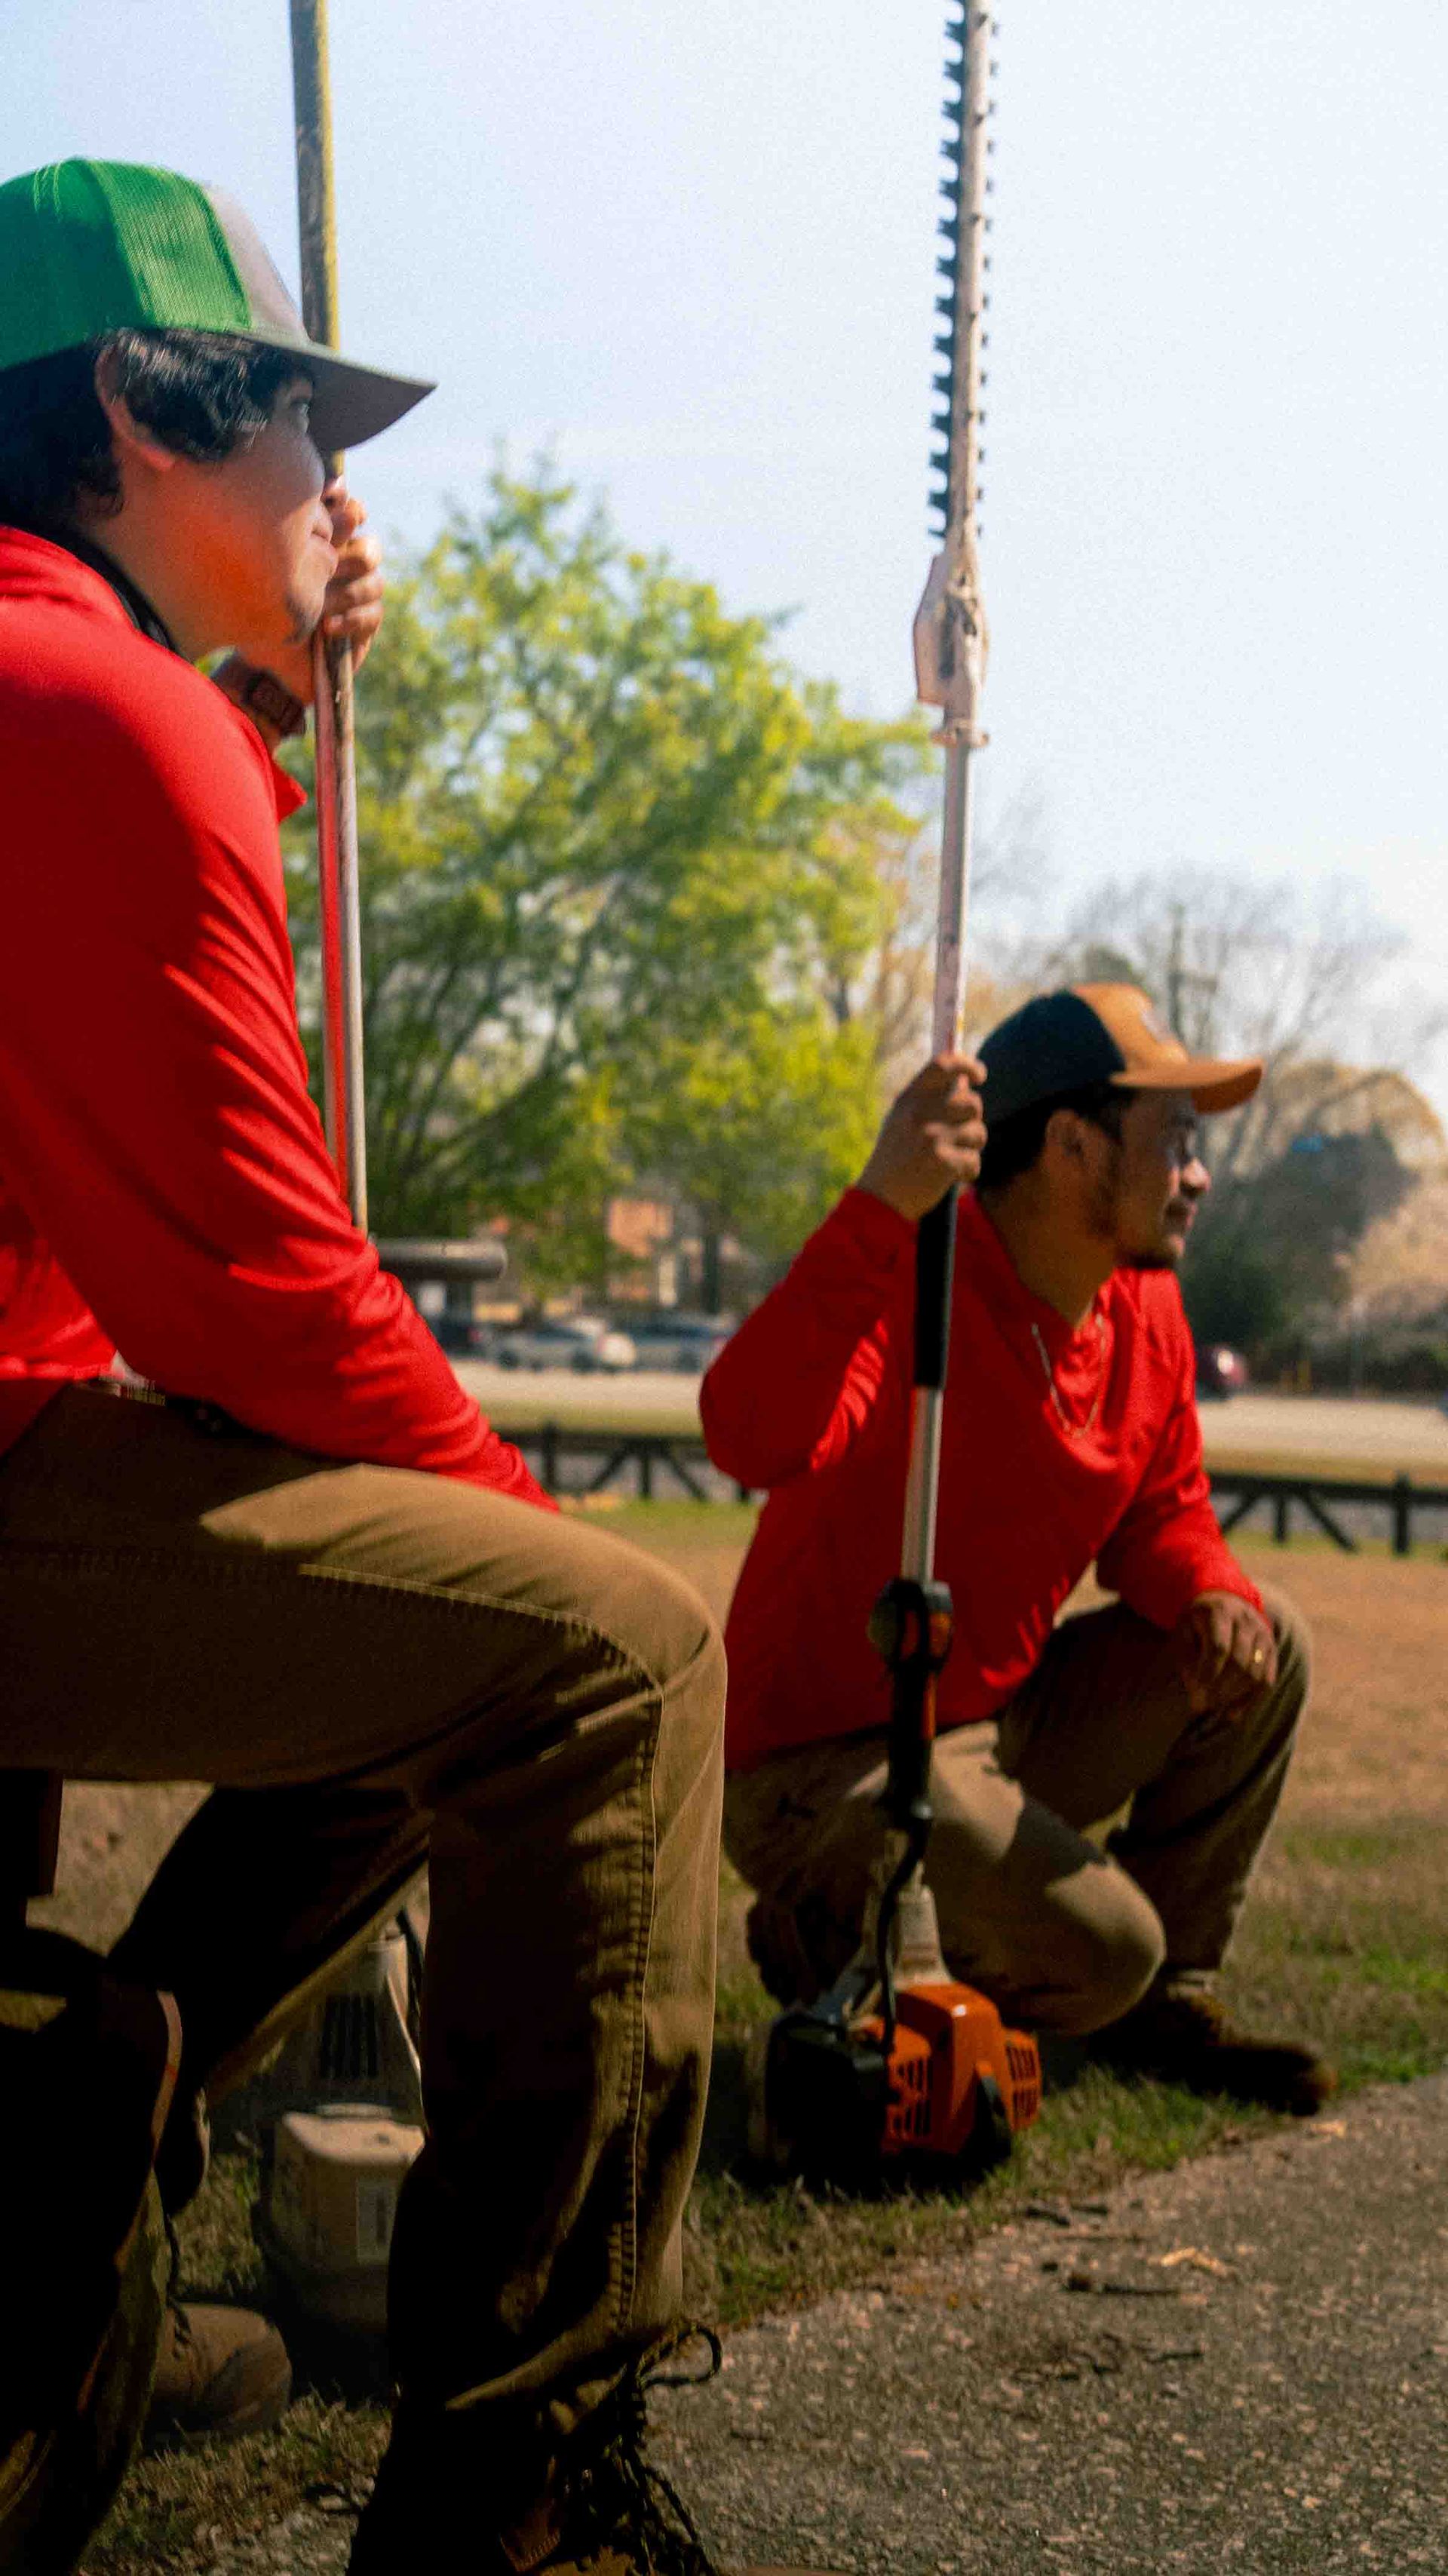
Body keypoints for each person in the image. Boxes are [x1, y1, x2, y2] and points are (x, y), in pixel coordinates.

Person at [0, 161, 830, 2576]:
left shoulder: (74, 685)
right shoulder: (89, 706)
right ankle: (510, 2485)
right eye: (298, 431)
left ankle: (79, 2153)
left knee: (440, 1633)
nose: (335, 496)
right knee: (598, 1655)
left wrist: (255, 689)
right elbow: (260, 1289)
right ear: (154, 422)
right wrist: (527, 1519)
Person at [703, 982, 1333, 2116]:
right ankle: (827, 1925)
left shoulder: (1145, 1308)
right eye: (1174, 1143)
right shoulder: (917, 1274)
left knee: (1265, 1641)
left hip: (989, 1721)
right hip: (826, 1758)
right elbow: (746, 1433)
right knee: (1103, 1950)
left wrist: (1205, 1587)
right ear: (1073, 1146)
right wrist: (878, 1206)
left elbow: (1163, 1511)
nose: (1198, 1176)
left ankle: (1166, 2009)